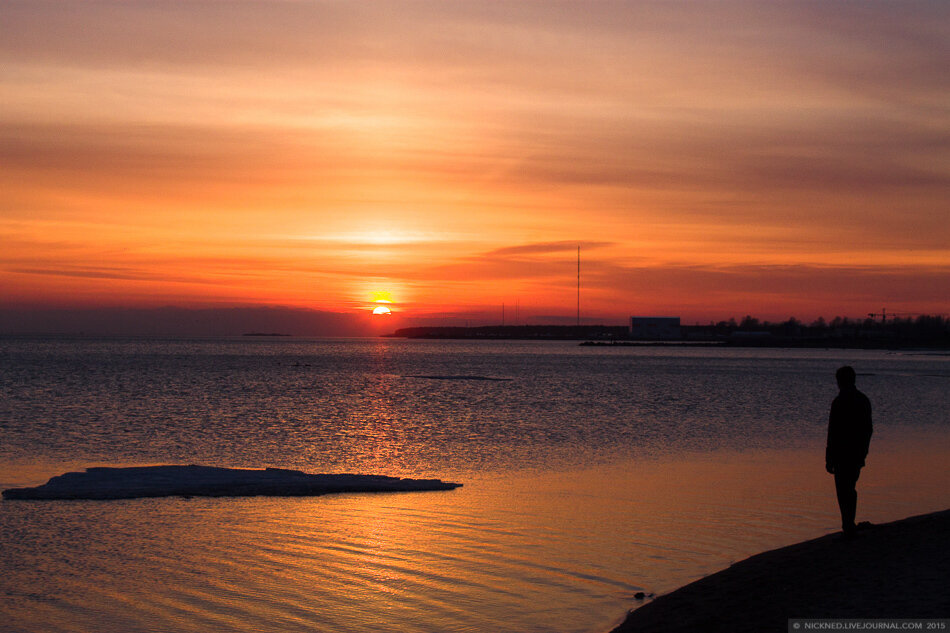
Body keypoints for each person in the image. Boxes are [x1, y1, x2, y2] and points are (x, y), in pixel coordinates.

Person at [825, 366, 873, 537]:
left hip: (842, 454)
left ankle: (847, 523)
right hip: (855, 453)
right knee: (849, 488)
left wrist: (829, 457)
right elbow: (868, 430)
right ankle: (848, 522)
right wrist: (863, 452)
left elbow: (833, 432)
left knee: (843, 489)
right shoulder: (862, 400)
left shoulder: (839, 402)